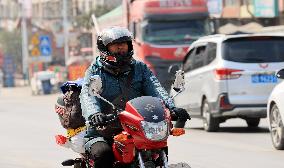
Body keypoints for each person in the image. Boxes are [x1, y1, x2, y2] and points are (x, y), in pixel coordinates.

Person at [80, 26, 190, 168]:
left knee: (157, 147)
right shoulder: (95, 71)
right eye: (115, 46)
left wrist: (171, 108)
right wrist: (95, 114)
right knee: (103, 154)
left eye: (123, 45)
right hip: (104, 129)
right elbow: (88, 95)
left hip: (137, 128)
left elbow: (155, 88)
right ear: (105, 49)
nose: (121, 49)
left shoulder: (140, 68)